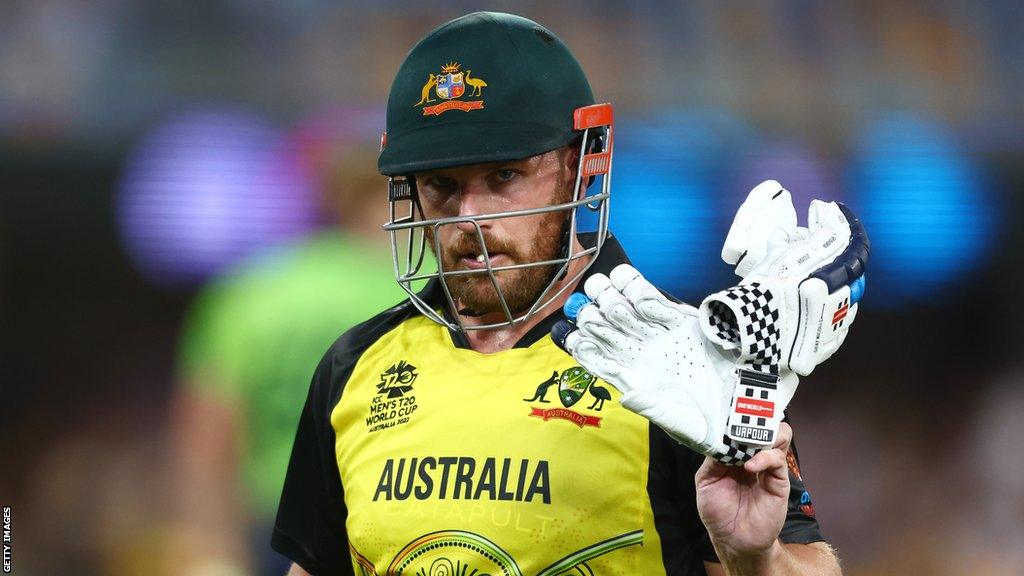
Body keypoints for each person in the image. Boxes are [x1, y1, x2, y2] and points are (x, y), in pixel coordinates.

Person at [272, 12, 843, 576]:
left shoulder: (682, 363)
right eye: (441, 185)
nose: (468, 217)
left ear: (580, 162)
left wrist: (754, 556)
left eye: (504, 177)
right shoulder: (353, 368)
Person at [167, 136, 408, 576]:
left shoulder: (245, 290)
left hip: (270, 526)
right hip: (381, 517)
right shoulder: (414, 288)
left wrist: (211, 548)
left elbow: (205, 440)